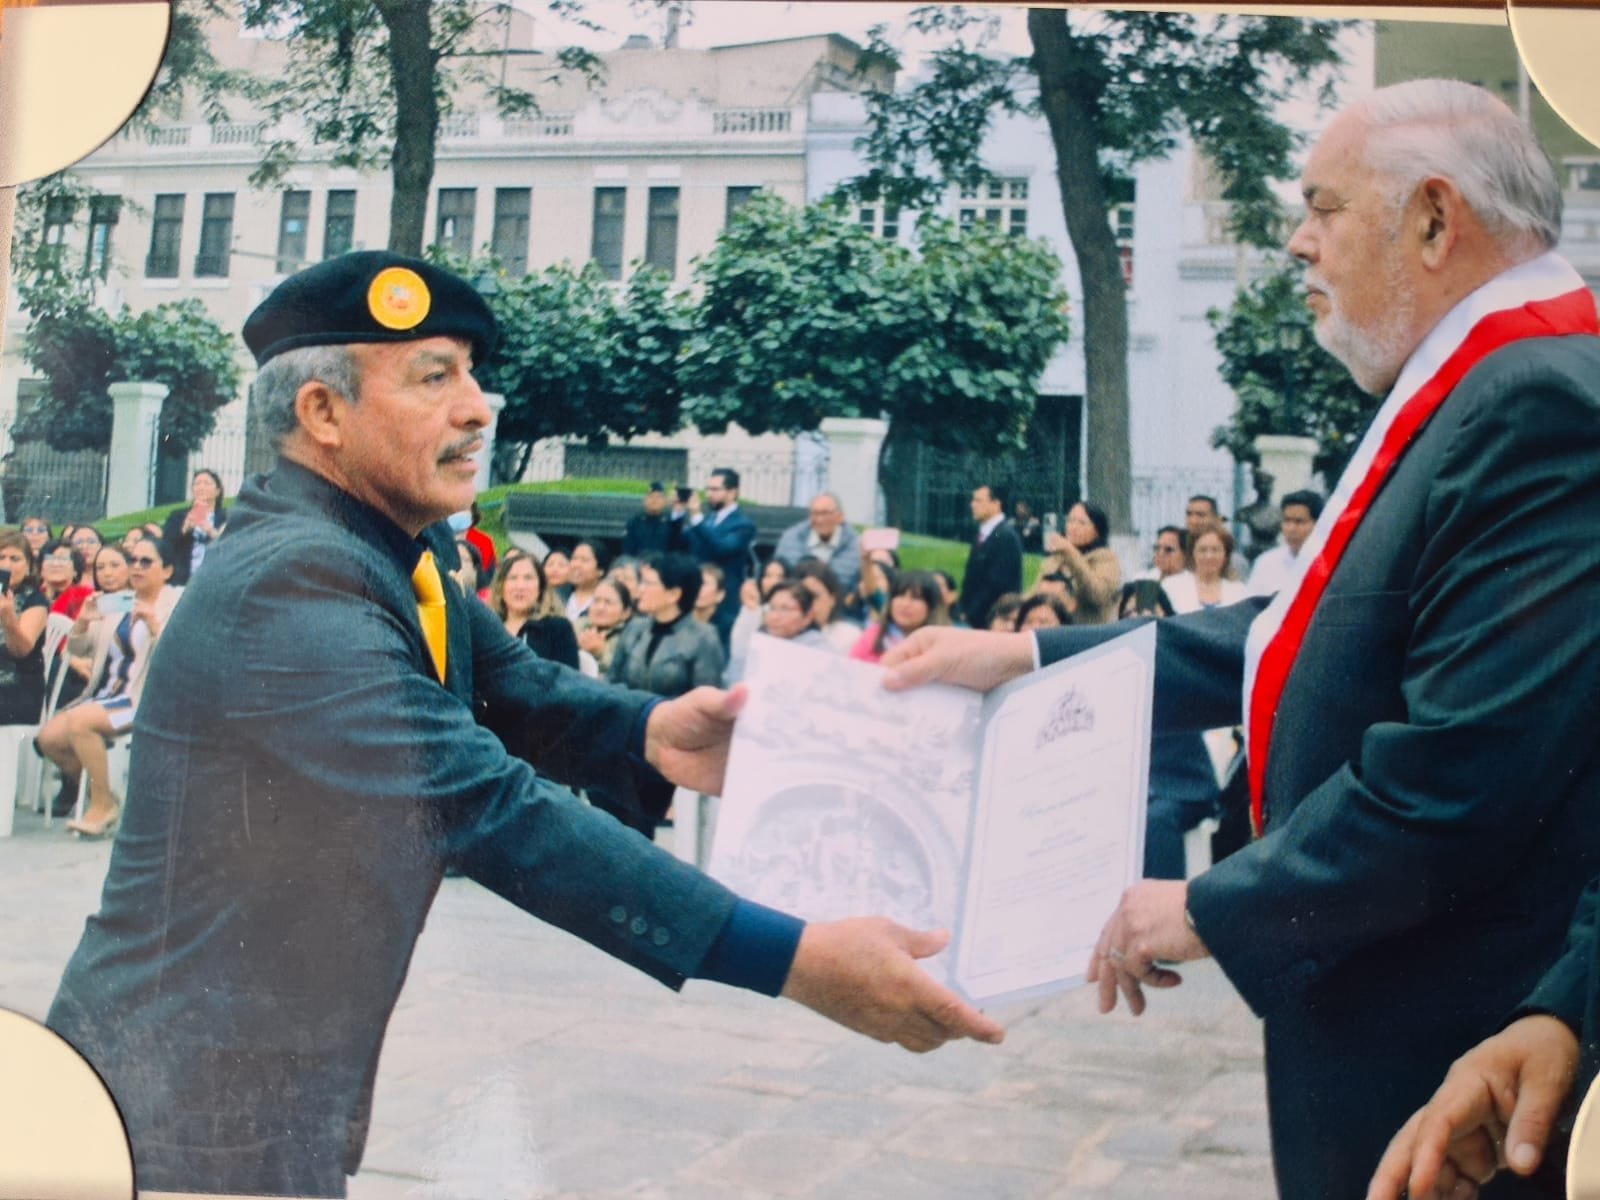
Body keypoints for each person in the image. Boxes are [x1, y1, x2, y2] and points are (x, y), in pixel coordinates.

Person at [44, 252, 1002, 1199]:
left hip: (255, 1088)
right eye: (434, 377)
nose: (477, 407)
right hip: (169, 1109)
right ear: (324, 414)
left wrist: (652, 730)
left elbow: (513, 687)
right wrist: (794, 958)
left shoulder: (387, 548)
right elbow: (489, 806)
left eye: (471, 373)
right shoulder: (292, 579)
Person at [877, 81, 1600, 1200]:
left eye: (1322, 207)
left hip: (1454, 1042)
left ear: (1433, 219)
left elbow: (1459, 773)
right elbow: (1308, 635)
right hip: (1401, 1016)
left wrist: (1209, 906)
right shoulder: (1485, 378)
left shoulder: (1534, 399)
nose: (1298, 242)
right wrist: (1022, 659)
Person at [37, 535, 182, 838]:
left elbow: (180, 658)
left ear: (167, 570)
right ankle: (102, 795)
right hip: (106, 696)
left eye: (146, 562)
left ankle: (101, 806)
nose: (137, 567)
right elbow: (78, 649)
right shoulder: (120, 602)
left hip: (142, 701)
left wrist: (154, 626)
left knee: (80, 723)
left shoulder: (176, 604)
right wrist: (83, 622)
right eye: (133, 560)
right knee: (49, 739)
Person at [610, 551, 727, 699]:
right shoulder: (635, 627)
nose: (640, 590)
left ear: (673, 594)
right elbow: (613, 681)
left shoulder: (703, 638)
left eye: (648, 584)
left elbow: (705, 700)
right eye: (641, 582)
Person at [682, 468, 757, 648]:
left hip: (725, 602)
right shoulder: (707, 520)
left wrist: (697, 518)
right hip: (698, 598)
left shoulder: (743, 524)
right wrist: (677, 514)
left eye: (715, 489)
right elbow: (683, 543)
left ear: (732, 493)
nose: (709, 494)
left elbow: (722, 548)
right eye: (708, 489)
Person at [488, 549, 579, 671]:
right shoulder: (488, 628)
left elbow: (567, 678)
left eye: (528, 578)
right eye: (512, 578)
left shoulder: (558, 628)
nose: (520, 586)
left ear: (540, 588)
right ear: (500, 587)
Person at [1038, 500, 1121, 625]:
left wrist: (1071, 553)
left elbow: (1097, 595)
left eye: (1082, 523)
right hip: (1053, 629)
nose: (1073, 527)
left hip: (1086, 630)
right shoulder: (1056, 558)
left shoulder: (1106, 559)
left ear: (1097, 531)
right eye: (1070, 521)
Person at [957, 482, 1022, 629]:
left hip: (991, 621)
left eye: (978, 500)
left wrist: (970, 614)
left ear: (996, 504)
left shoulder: (1005, 536)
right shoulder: (987, 533)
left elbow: (997, 585)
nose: (972, 505)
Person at [0, 530, 48, 725]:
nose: (6, 565)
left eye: (15, 559)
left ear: (28, 566)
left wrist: (8, 617)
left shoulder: (35, 600)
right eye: (1, 557)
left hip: (15, 689)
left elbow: (21, 650)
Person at [850, 570, 947, 666]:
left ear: (931, 607)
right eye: (900, 595)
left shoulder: (940, 646)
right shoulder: (874, 636)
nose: (905, 604)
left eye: (916, 598)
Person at [773, 492, 861, 595]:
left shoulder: (856, 546)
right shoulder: (790, 539)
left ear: (840, 516)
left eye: (825, 513)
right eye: (815, 513)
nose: (819, 519)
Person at [1245, 489, 1323, 598]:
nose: (1291, 529)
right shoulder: (1265, 564)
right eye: (1287, 521)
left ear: (1317, 524)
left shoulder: (1329, 564)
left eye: (1299, 522)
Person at [1160, 521, 1247, 614]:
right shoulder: (1171, 586)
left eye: (1215, 550)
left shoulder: (1239, 591)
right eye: (1202, 550)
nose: (1209, 556)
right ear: (1193, 553)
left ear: (1226, 555)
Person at [161, 467, 227, 585]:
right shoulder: (178, 516)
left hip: (215, 578)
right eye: (197, 483)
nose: (201, 487)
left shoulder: (226, 517)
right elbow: (165, 545)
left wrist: (211, 531)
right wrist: (185, 529)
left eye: (207, 483)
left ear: (218, 491)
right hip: (183, 579)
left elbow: (231, 545)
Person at [575, 577, 632, 675]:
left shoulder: (630, 638)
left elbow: (626, 673)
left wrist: (602, 653)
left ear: (625, 612)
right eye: (596, 601)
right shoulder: (577, 625)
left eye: (608, 602)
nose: (600, 608)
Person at [622, 482, 681, 558]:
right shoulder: (634, 522)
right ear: (644, 500)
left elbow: (675, 550)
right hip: (639, 562)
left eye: (659, 497)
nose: (654, 500)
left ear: (664, 501)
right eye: (651, 496)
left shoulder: (671, 523)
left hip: (663, 563)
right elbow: (628, 550)